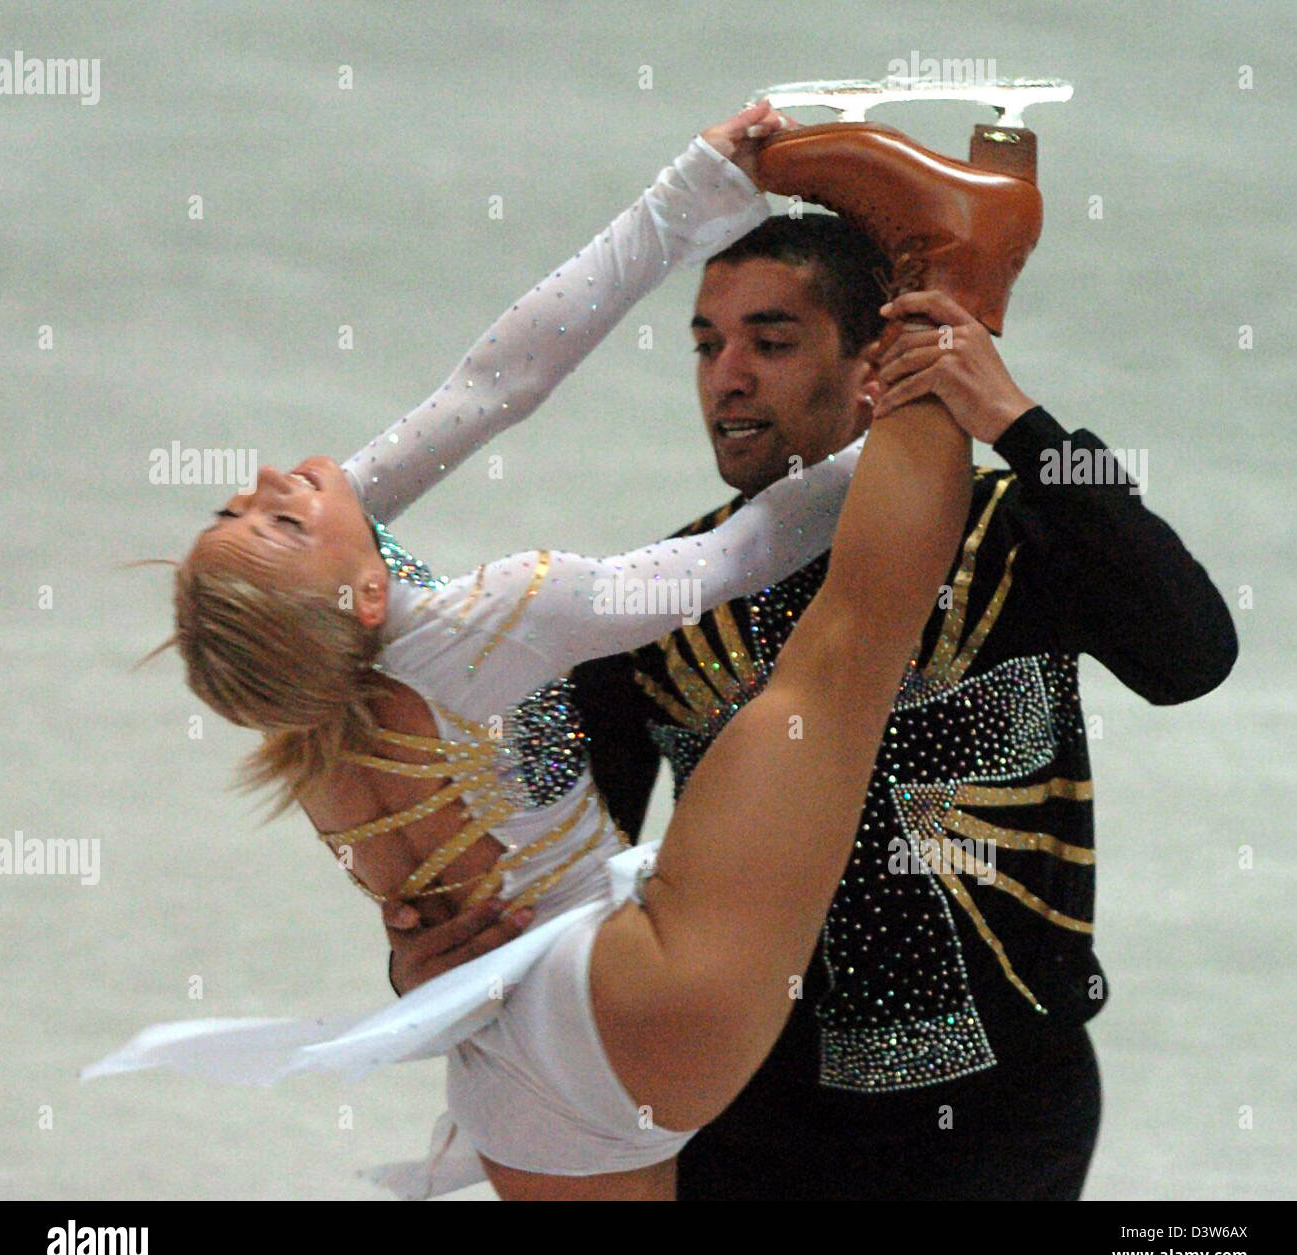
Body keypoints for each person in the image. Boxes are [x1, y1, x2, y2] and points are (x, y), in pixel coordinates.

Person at [85, 105, 1044, 1199]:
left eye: (239, 504)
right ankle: (959, 267)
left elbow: (490, 388)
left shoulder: (297, 694)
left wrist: (694, 191)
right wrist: (899, 419)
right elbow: (734, 558)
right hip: (632, 1001)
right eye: (276, 523)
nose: (270, 486)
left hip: (508, 1081)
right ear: (355, 596)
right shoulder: (484, 624)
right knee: (842, 657)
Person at [387, 124, 1240, 1200]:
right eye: (706, 344)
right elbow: (547, 890)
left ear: (870, 352)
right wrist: (434, 972)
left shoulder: (1014, 533)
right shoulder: (648, 606)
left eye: (771, 340)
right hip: (750, 1131)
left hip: (1000, 1128)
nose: (726, 378)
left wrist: (1018, 423)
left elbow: (1193, 653)